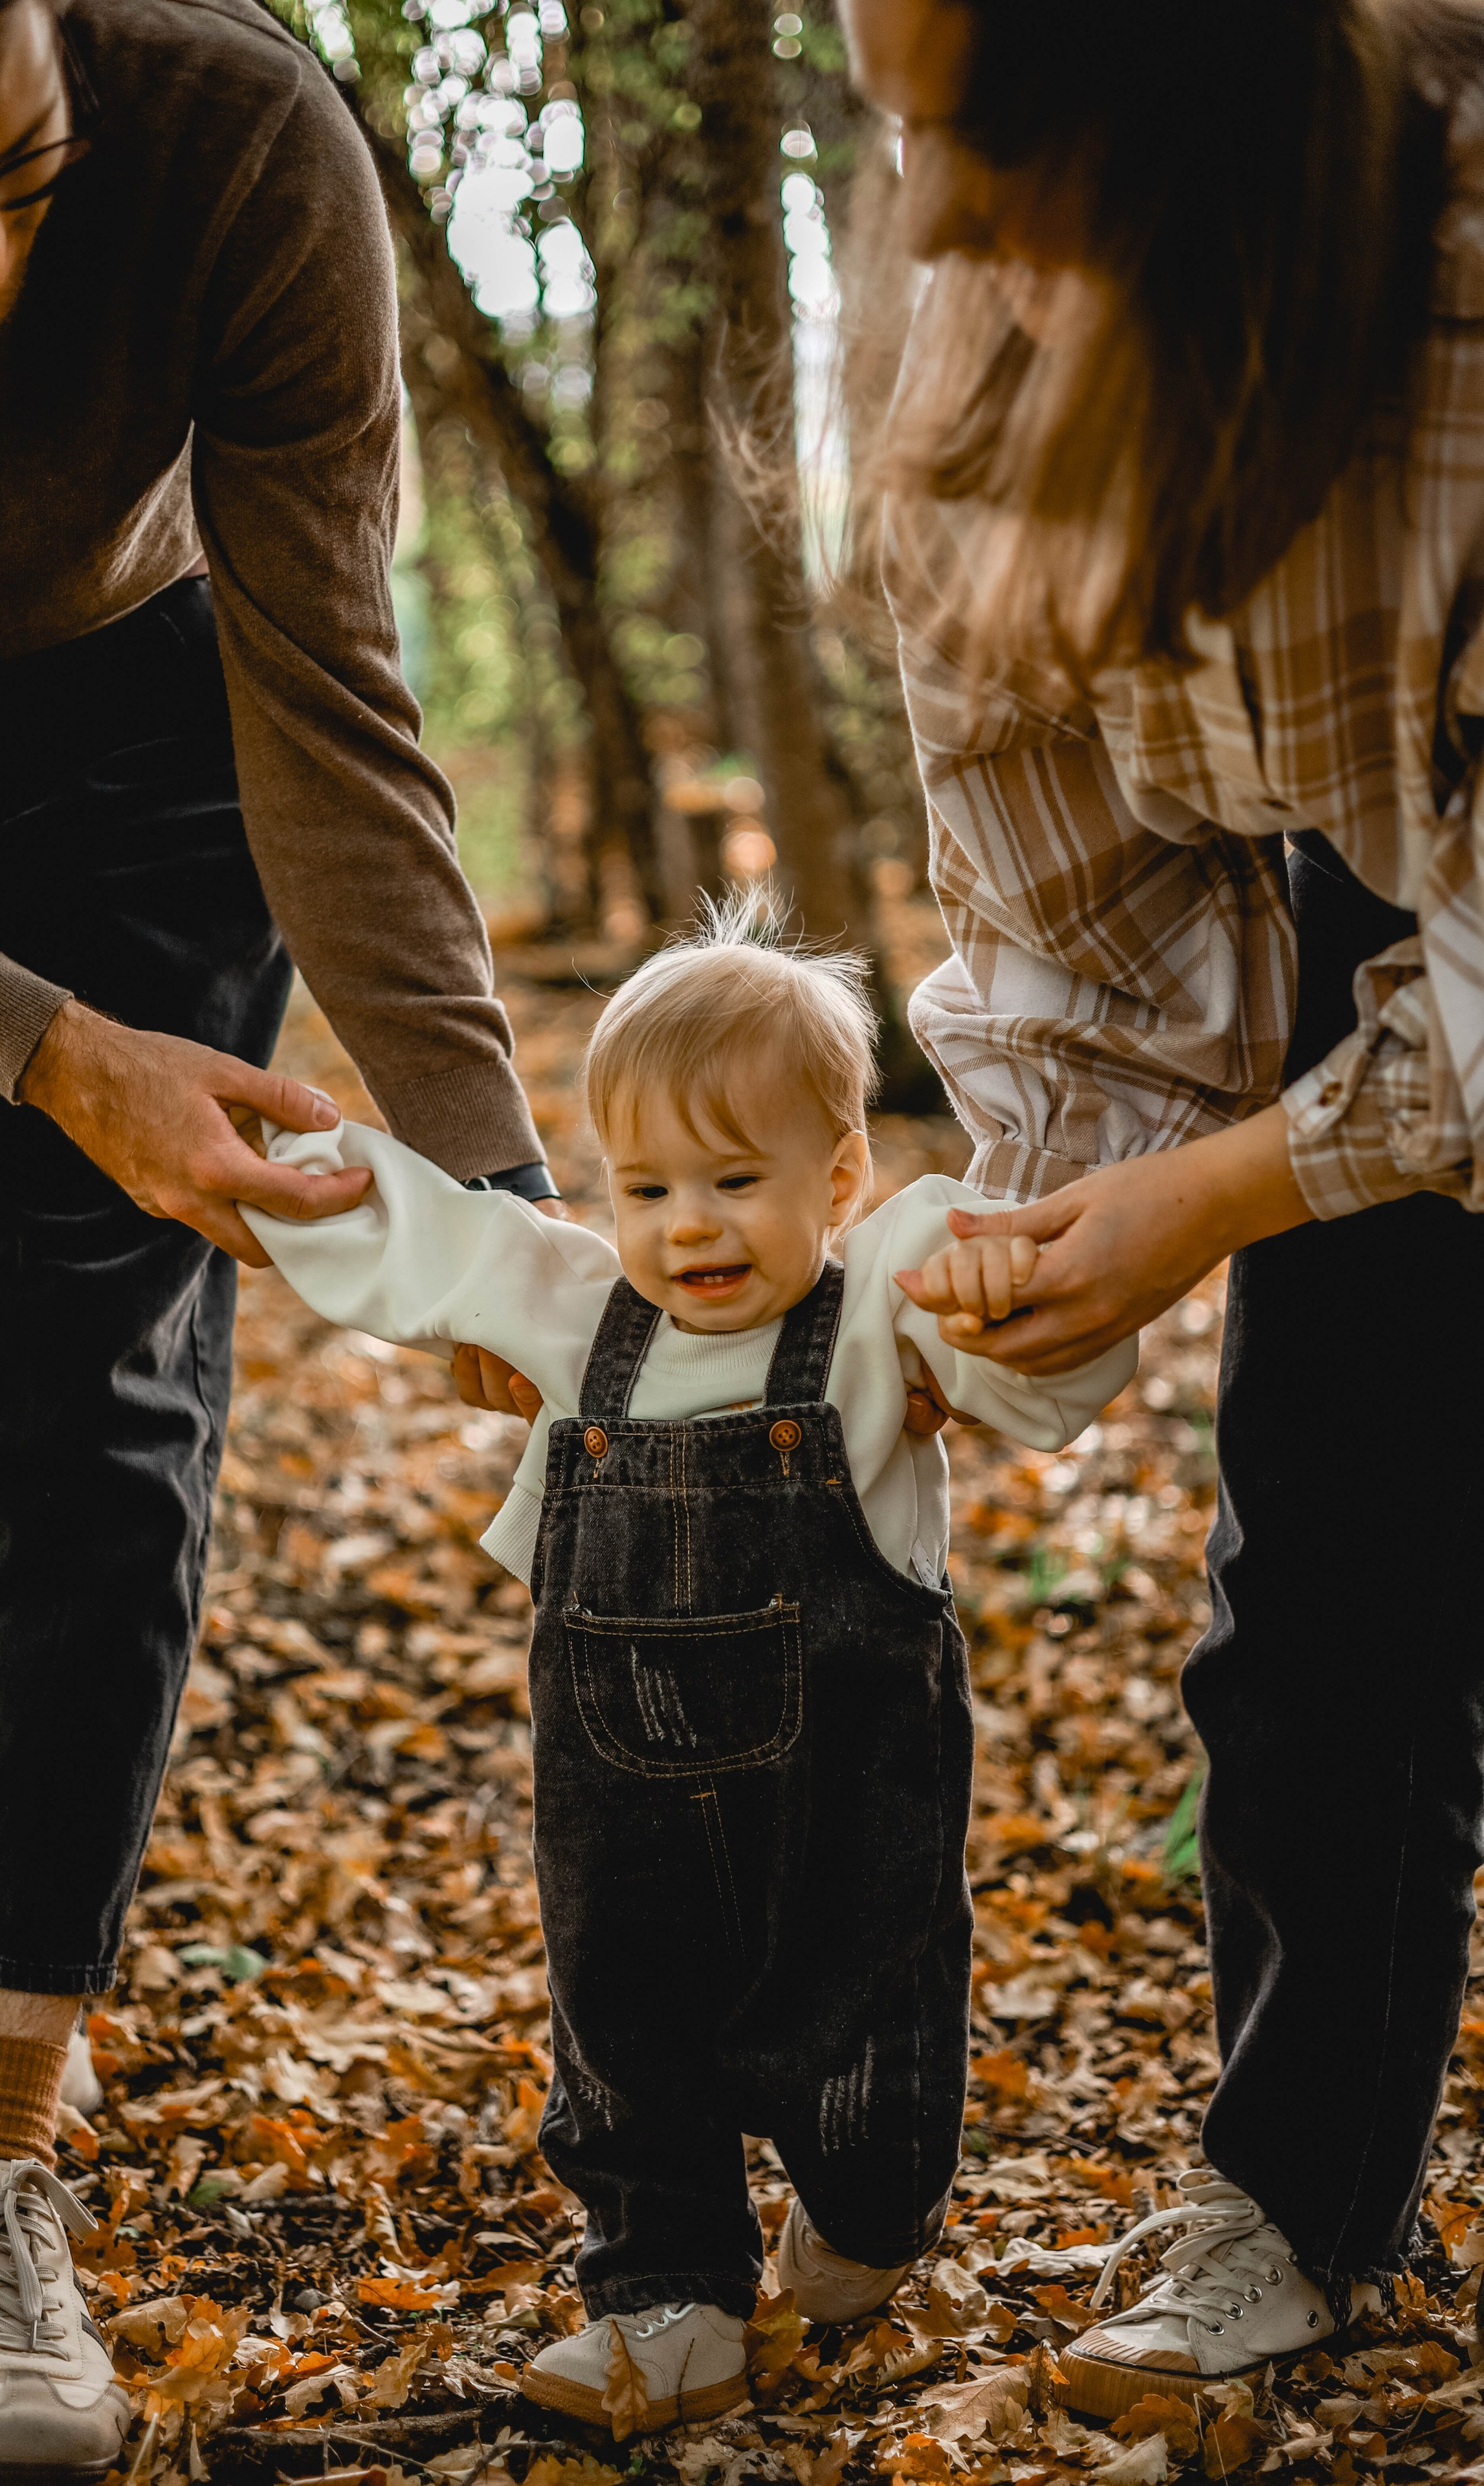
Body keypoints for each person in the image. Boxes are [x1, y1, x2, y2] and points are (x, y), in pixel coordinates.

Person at [0, 1, 559, 2472]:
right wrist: (39, 1045)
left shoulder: (240, 136)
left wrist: (492, 1204)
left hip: (144, 727)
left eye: (22, 175)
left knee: (100, 1384)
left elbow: (328, 683)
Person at [837, 0, 1484, 2424]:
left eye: (991, 131)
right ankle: (1298, 2192)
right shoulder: (964, 328)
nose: (936, 209)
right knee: (1322, 1563)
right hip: (1368, 884)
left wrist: (1221, 1192)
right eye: (900, 125)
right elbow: (1072, 898)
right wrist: (1036, 1245)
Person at [242, 905, 1134, 2434]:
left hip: (848, 1796)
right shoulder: (578, 1310)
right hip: (617, 1808)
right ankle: (666, 2300)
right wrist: (276, 1163)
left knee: (870, 2025)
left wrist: (994, 1296)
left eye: (734, 1182)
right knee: (622, 2033)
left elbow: (1048, 1370)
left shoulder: (876, 1317)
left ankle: (867, 2217)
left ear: (838, 1181)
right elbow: (416, 1237)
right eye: (644, 1188)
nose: (688, 1229)